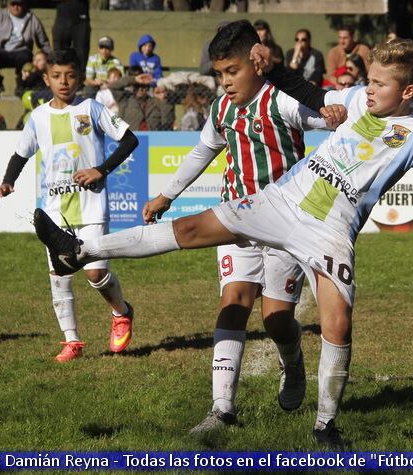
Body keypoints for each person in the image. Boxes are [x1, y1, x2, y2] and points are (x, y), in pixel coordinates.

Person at [32, 37, 413, 447]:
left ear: (408, 93)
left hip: (330, 230)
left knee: (337, 324)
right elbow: (313, 94)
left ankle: (326, 426)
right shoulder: (355, 101)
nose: (368, 89)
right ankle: (80, 251)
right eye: (368, 81)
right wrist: (274, 67)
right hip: (281, 198)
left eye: (379, 84)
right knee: (192, 229)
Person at [140, 20, 335, 436]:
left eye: (233, 72)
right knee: (234, 301)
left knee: (276, 319)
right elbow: (201, 152)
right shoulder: (221, 110)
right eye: (220, 74)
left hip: (284, 225)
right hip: (235, 219)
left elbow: (328, 118)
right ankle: (222, 408)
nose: (225, 82)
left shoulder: (281, 102)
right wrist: (166, 196)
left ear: (257, 62)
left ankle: (292, 359)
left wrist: (331, 110)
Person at [0, 49, 140, 362]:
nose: (64, 82)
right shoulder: (38, 117)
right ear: (46, 79)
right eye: (57, 76)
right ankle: (71, 341)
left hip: (91, 205)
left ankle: (121, 312)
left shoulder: (91, 108)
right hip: (53, 209)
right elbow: (21, 154)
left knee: (95, 272)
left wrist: (100, 170)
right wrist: (8, 181)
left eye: (70, 75)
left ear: (78, 77)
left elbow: (129, 140)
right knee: (59, 276)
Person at [0, 0, 51, 97]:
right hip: (2, 52)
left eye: (18, 4)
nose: (15, 7)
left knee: (26, 58)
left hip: (21, 52)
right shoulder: (0, 16)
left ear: (24, 4)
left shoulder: (32, 19)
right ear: (8, 4)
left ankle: (21, 87)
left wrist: (49, 57)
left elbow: (43, 41)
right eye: (13, 4)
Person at [52, 0, 90, 64]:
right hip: (62, 18)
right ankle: (59, 72)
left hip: (81, 19)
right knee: (59, 54)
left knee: (81, 54)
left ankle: (80, 73)